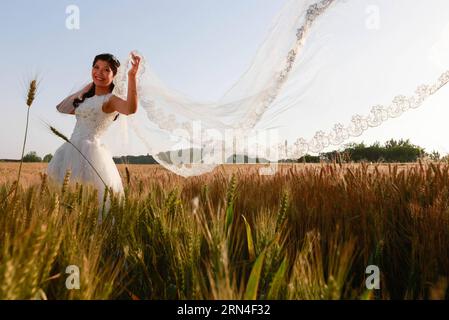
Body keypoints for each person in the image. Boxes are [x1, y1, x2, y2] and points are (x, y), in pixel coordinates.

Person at [47, 52, 141, 204]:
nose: (99, 72)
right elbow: (61, 108)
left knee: (89, 201)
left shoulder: (111, 100)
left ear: (114, 75)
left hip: (91, 155)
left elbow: (130, 108)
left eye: (106, 69)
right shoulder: (85, 99)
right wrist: (85, 89)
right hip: (68, 151)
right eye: (96, 67)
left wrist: (131, 76)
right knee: (62, 198)